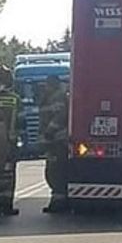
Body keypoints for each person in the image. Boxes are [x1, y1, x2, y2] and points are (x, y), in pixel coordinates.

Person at [0, 66, 20, 216]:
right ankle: (7, 204)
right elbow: (23, 121)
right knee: (9, 172)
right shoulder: (15, 99)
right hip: (10, 142)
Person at [40, 74, 70, 214]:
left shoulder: (58, 97)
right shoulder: (52, 97)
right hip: (53, 141)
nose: (45, 87)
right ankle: (58, 200)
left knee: (55, 172)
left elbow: (60, 116)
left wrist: (50, 131)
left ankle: (59, 202)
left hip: (58, 140)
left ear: (52, 84)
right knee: (53, 171)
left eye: (47, 85)